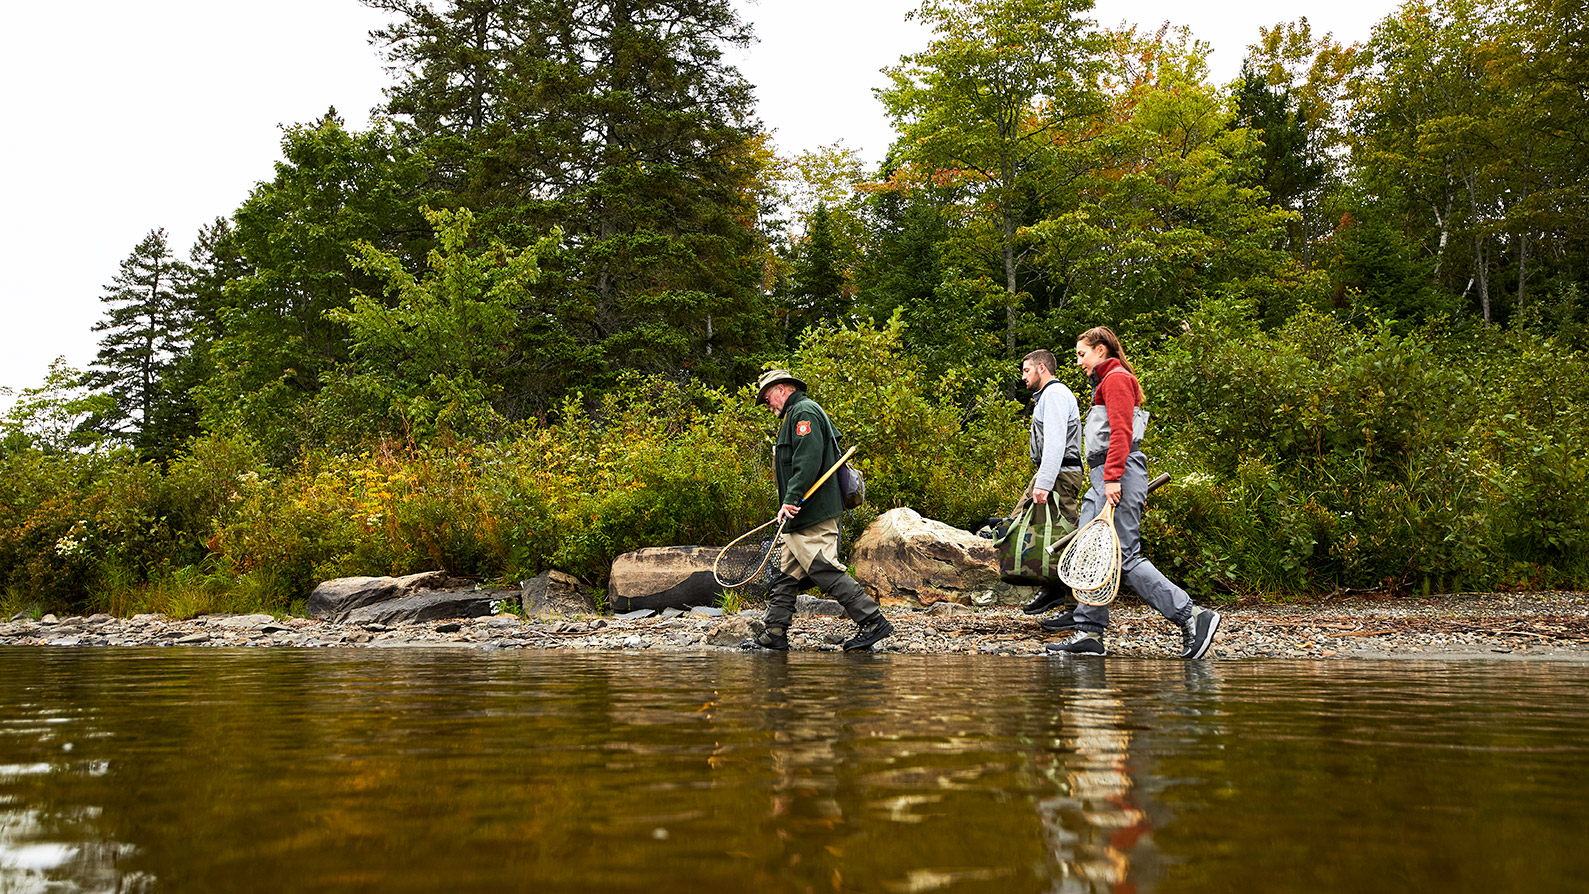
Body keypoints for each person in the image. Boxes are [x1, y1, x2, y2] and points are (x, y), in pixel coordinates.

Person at [1050, 327, 1221, 659]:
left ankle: (1192, 616)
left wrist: (1112, 478)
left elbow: (1122, 431)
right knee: (1092, 552)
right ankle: (1089, 631)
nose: (1079, 362)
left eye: (1082, 354)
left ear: (1100, 350)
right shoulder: (1105, 381)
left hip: (1118, 474)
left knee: (1123, 556)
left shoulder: (1116, 379)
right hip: (1104, 475)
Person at [744, 369, 894, 652]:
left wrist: (791, 499)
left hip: (811, 512)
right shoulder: (795, 414)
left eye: (767, 399)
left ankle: (873, 621)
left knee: (823, 568)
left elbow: (807, 460)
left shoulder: (804, 413)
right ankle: (775, 632)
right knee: (786, 574)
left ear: (782, 389)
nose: (768, 405)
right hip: (800, 515)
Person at [1011, 350, 1086, 627]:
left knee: (1064, 537)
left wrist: (1043, 484)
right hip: (1052, 472)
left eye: (1026, 371)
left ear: (1042, 369)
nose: (1024, 377)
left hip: (1060, 475)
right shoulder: (1047, 397)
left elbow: (1055, 443)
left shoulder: (1054, 395)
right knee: (1027, 528)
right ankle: (1052, 586)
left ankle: (1074, 606)